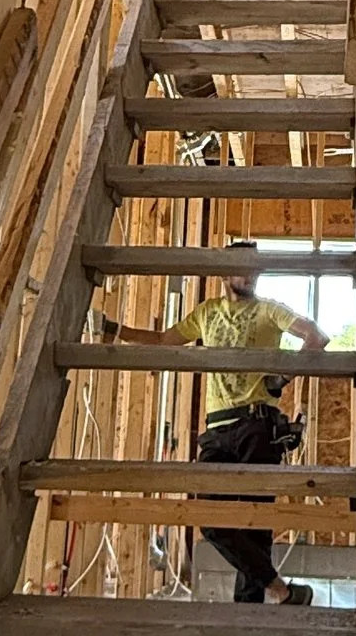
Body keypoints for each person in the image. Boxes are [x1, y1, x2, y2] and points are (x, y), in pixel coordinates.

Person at [96, 242, 328, 604]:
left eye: (256, 268)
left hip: (257, 426)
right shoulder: (207, 313)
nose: (251, 274)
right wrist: (113, 329)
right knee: (211, 518)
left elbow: (317, 336)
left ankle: (247, 615)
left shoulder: (269, 310)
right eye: (243, 267)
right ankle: (280, 591)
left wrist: (281, 378)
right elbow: (162, 340)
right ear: (224, 272)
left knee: (256, 524)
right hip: (218, 429)